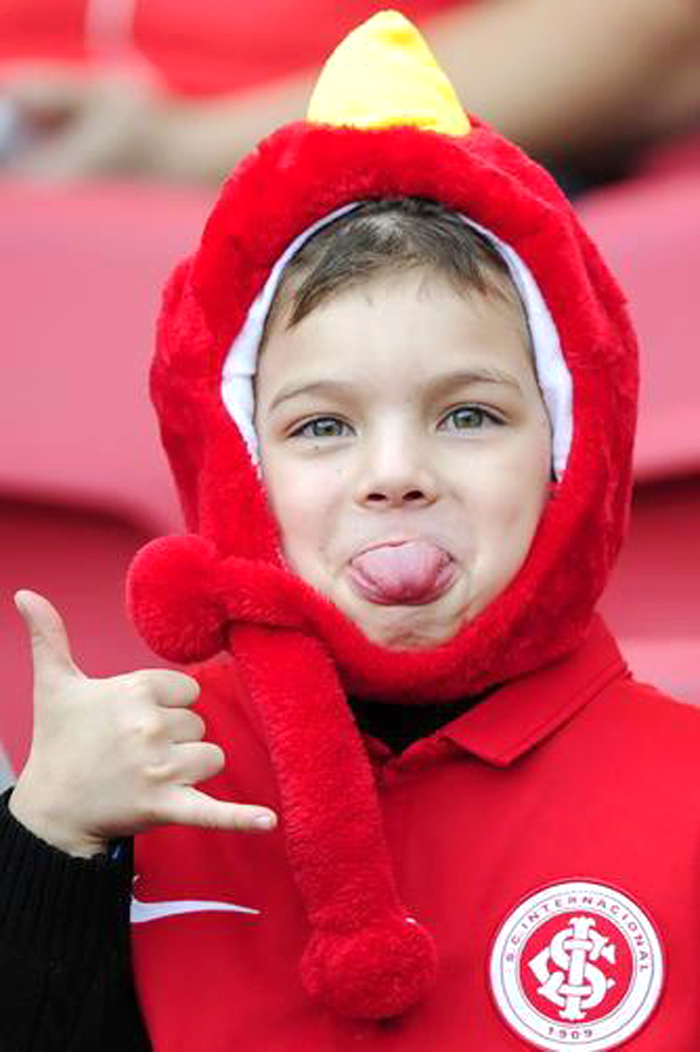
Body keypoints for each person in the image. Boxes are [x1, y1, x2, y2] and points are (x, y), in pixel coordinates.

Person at [2, 10, 699, 1050]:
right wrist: (49, 843)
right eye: (322, 426)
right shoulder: (139, 783)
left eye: (468, 415)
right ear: (240, 466)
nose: (395, 476)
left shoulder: (683, 790)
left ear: (572, 450)